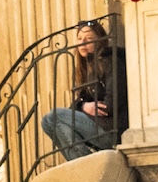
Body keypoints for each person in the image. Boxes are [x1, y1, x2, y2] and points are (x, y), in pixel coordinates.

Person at [41, 18, 114, 157]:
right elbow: (75, 106)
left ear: (100, 41)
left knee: (56, 115)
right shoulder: (86, 69)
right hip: (96, 126)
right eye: (79, 38)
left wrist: (85, 108)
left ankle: (83, 163)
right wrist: (84, 106)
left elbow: (110, 105)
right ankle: (80, 163)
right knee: (47, 122)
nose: (83, 43)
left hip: (110, 130)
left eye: (89, 38)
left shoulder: (110, 61)